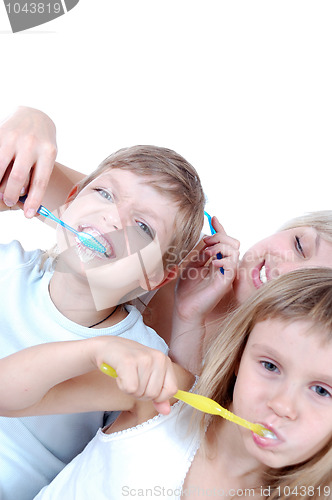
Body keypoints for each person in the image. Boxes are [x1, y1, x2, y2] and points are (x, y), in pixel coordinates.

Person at [0, 268, 332, 499]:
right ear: (239, 358)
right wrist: (93, 351)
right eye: (270, 366)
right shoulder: (171, 396)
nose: (282, 405)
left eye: (321, 390)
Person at [0, 143, 205, 500]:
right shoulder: (6, 265)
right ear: (72, 199)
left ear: (156, 276)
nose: (114, 219)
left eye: (143, 227)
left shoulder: (143, 358)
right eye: (105, 193)